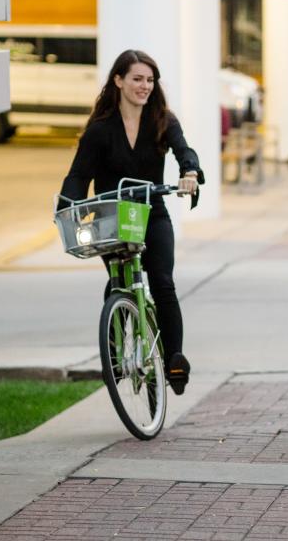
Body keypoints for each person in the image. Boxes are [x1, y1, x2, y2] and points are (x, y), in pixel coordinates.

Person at [59, 49, 203, 395]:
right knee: (118, 284)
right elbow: (79, 176)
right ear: (119, 81)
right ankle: (115, 352)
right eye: (137, 79)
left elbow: (185, 152)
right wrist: (67, 206)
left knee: (163, 283)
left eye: (150, 80)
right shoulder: (99, 130)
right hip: (112, 218)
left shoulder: (163, 120)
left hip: (152, 213)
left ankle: (174, 360)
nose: (145, 86)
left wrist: (191, 172)